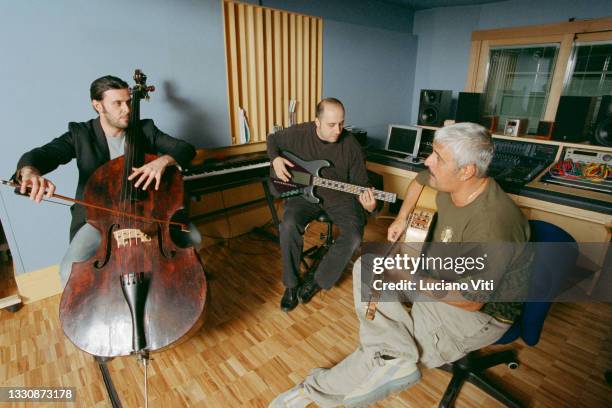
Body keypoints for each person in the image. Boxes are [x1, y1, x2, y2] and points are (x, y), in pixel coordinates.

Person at [269, 122, 531, 407]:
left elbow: (472, 301)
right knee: (367, 266)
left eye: (438, 157)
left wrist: (409, 279)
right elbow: (419, 181)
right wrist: (402, 218)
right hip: (439, 275)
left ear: (466, 170)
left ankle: (313, 390)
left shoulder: (493, 224)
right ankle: (391, 356)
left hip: (479, 314)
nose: (428, 161)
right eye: (433, 152)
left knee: (384, 353)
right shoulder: (452, 179)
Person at [14, 75, 201, 288]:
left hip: (146, 212)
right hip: (98, 218)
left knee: (192, 237)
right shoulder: (80, 134)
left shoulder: (145, 129)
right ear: (98, 106)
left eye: (129, 101)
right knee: (69, 271)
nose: (127, 109)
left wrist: (164, 160)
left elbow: (185, 149)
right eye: (118, 103)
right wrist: (29, 172)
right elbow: (43, 155)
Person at [267, 98, 377, 312]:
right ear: (317, 122)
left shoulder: (351, 145)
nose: (338, 130)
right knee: (288, 224)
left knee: (354, 236)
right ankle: (291, 285)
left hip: (340, 198)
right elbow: (273, 140)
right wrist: (275, 160)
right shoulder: (299, 133)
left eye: (342, 123)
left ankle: (317, 280)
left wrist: (370, 206)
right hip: (305, 196)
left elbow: (362, 185)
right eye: (331, 124)